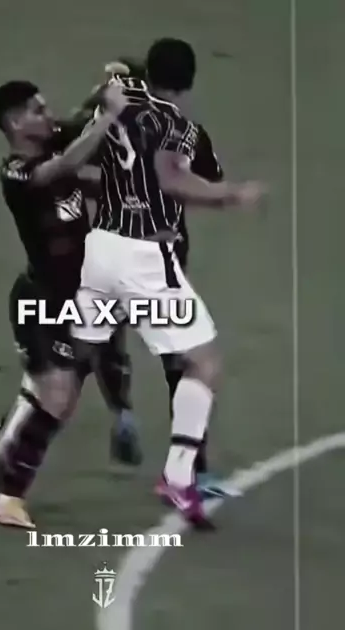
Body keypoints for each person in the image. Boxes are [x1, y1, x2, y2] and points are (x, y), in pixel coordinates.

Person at [71, 38, 264, 529]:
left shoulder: (110, 112)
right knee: (202, 362)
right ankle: (182, 474)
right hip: (147, 256)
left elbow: (75, 165)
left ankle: (3, 450)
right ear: (189, 80)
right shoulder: (178, 125)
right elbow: (178, 180)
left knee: (74, 360)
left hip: (101, 248)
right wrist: (232, 195)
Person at [0, 79, 128, 528]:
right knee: (55, 397)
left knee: (56, 399)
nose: (48, 116)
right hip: (40, 302)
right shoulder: (18, 172)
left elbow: (79, 129)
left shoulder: (54, 139)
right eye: (37, 111)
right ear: (15, 123)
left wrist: (105, 91)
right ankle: (6, 498)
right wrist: (110, 115)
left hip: (79, 298)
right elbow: (65, 164)